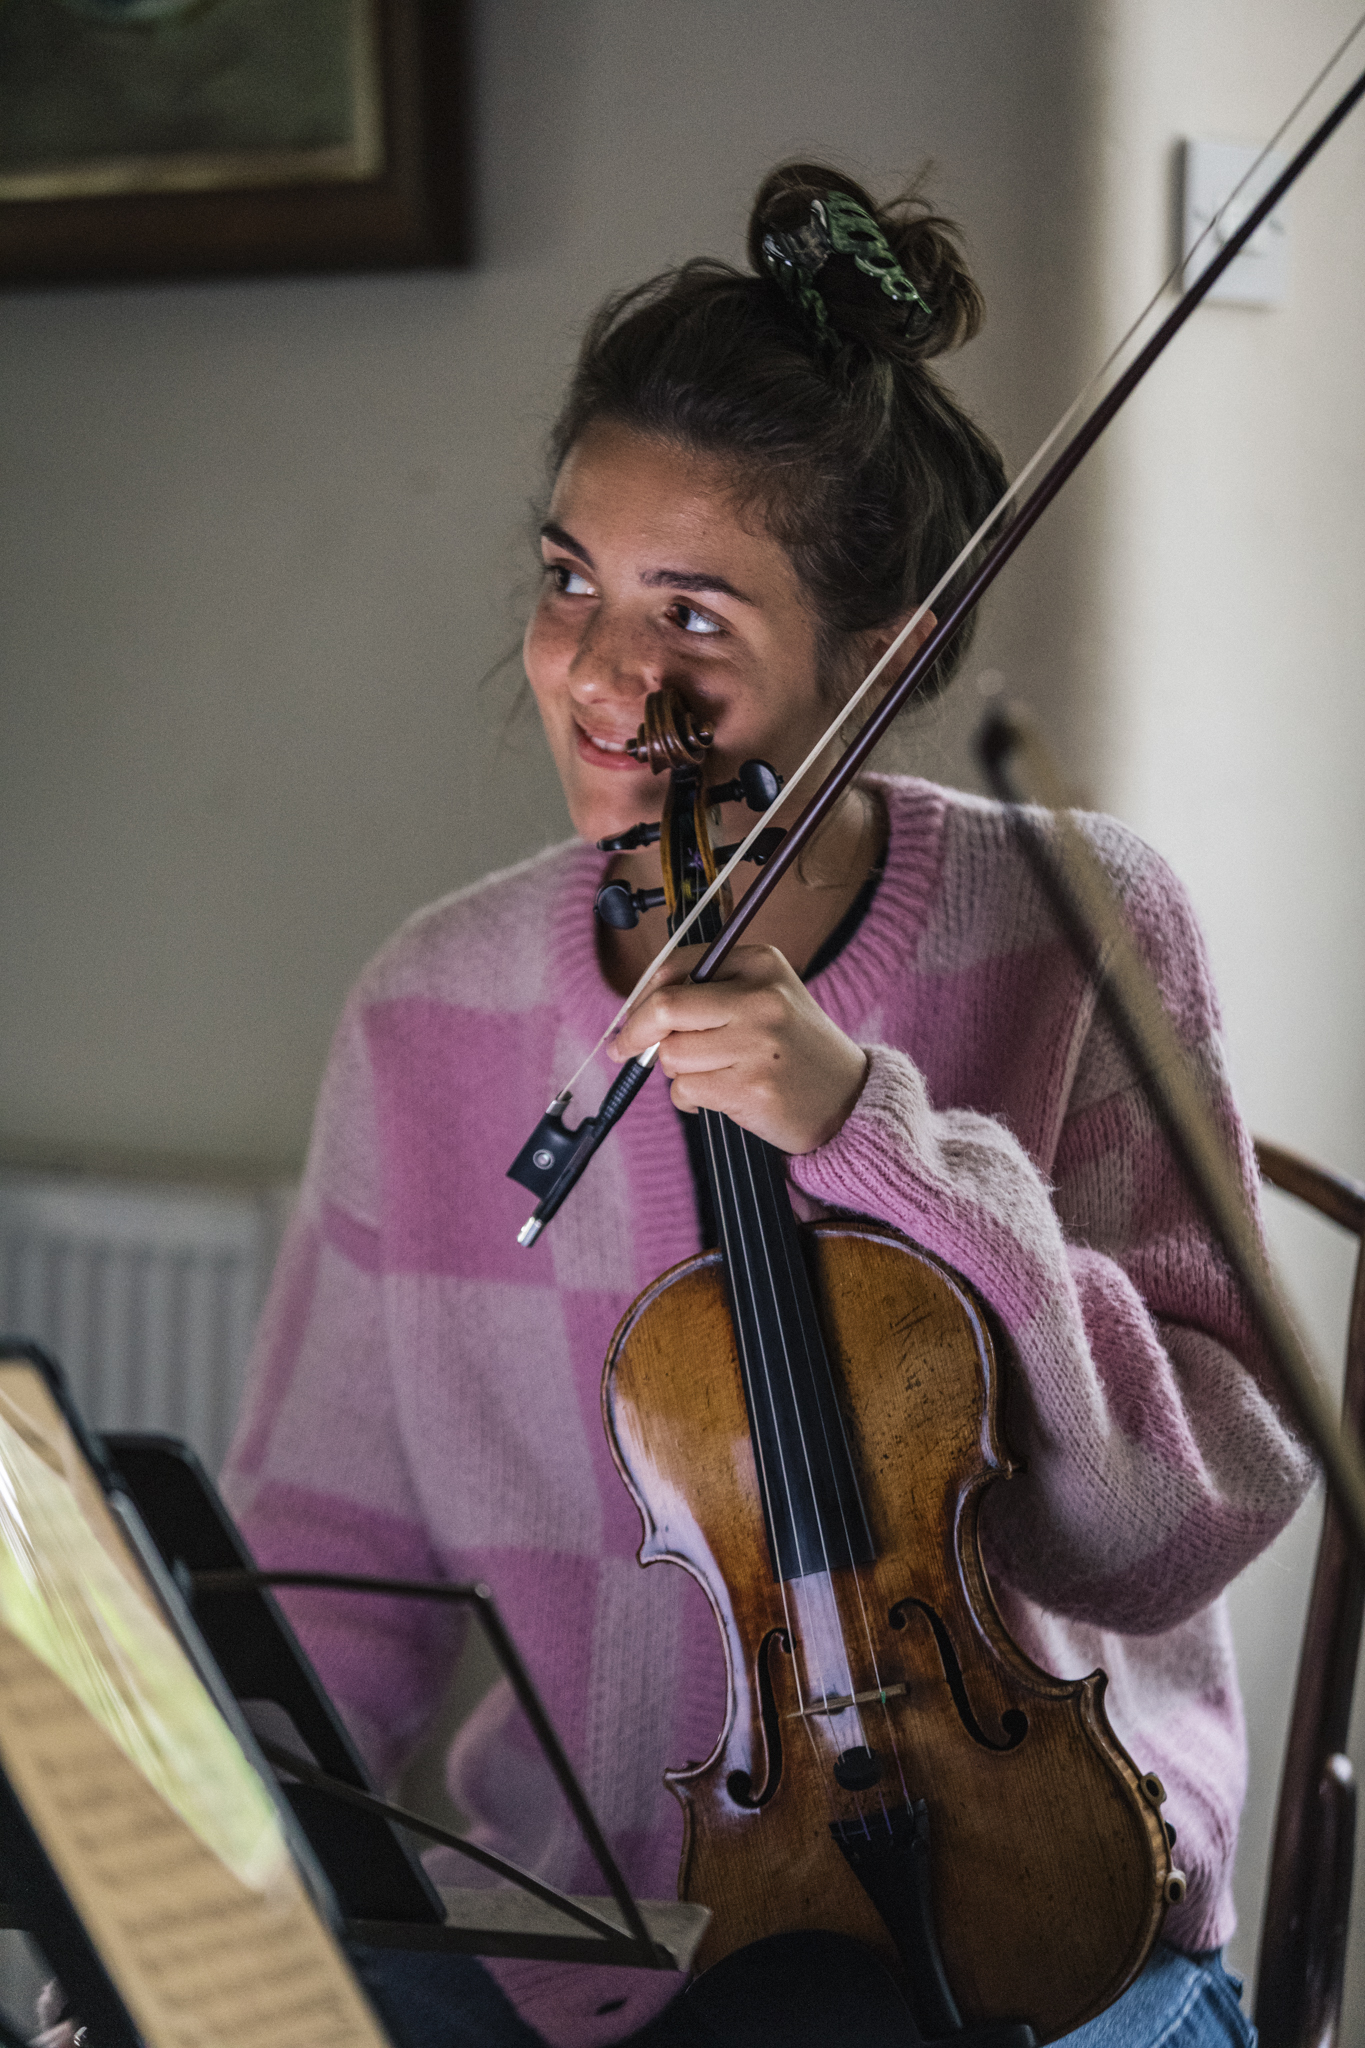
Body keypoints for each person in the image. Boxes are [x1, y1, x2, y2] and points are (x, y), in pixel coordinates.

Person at [218, 164, 1312, 2048]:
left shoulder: (1081, 923)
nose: (603, 673)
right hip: (595, 1939)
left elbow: (1179, 1521)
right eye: (570, 581)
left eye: (696, 615)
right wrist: (191, 1913)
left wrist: (878, 1138)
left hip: (1046, 1915)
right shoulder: (429, 1009)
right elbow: (331, 1584)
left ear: (874, 655)